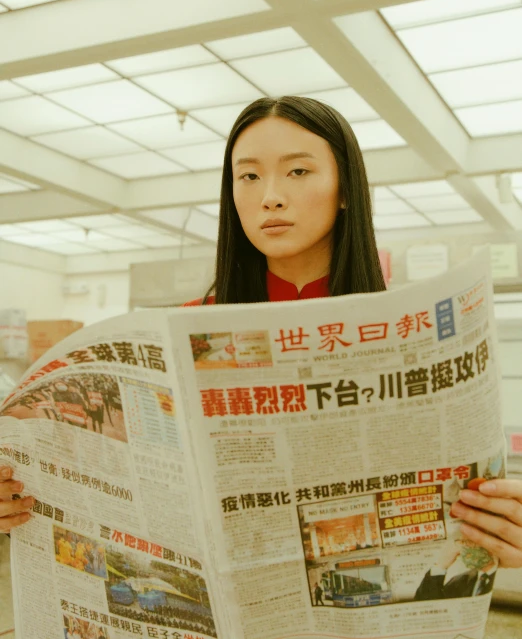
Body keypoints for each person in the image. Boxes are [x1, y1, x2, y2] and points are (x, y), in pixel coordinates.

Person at [2, 95, 522, 566]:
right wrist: (16, 494)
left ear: (346, 191)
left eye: (297, 171)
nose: (270, 196)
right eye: (248, 177)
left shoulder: (406, 329)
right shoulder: (178, 331)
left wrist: (500, 527)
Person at [415, 538, 497, 600]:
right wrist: (440, 567)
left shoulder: (500, 578)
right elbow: (426, 604)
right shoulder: (459, 581)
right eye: (463, 542)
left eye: (470, 542)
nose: (465, 548)